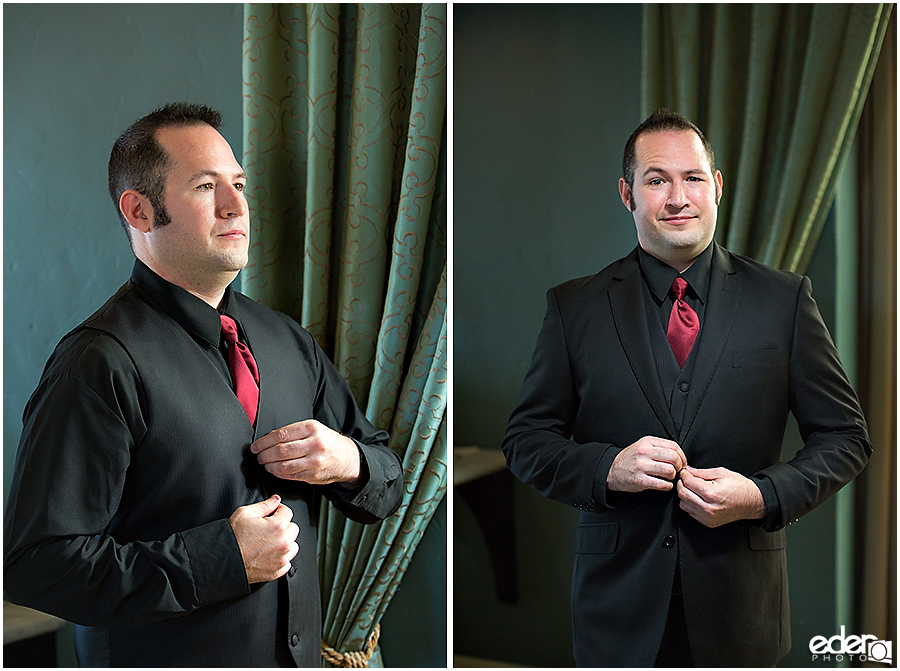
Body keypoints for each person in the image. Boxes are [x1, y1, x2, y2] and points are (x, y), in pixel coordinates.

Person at [3, 103, 403, 667]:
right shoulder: (96, 364)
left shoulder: (288, 340)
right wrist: (220, 561)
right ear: (139, 211)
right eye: (205, 186)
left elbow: (387, 483)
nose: (236, 205)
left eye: (238, 184)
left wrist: (349, 460)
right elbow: (38, 567)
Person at [501, 109, 871, 667]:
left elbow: (846, 438)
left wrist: (763, 496)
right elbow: (525, 440)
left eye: (692, 178)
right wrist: (605, 469)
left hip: (742, 614)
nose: (678, 197)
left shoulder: (784, 300)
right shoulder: (574, 307)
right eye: (657, 180)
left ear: (716, 187)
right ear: (628, 194)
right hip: (616, 618)